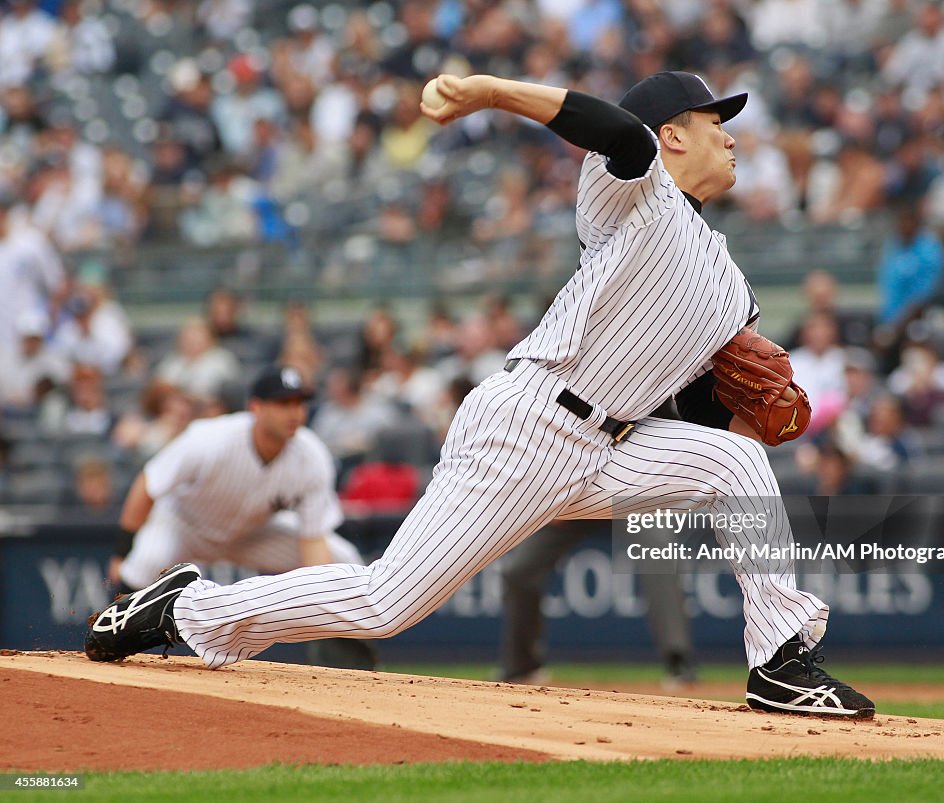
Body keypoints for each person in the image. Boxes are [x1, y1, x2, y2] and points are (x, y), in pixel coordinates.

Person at [86, 72, 874, 718]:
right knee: (385, 603)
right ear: (673, 135)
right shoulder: (636, 199)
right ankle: (188, 610)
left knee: (736, 464)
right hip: (529, 426)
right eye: (712, 121)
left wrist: (751, 419)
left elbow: (696, 406)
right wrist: (491, 93)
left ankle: (781, 661)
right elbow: (620, 135)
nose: (731, 135)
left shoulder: (732, 285)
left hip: (615, 445)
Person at [104, 364, 376, 671]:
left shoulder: (312, 456)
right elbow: (148, 484)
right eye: (283, 403)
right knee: (141, 566)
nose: (294, 412)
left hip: (250, 534)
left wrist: (324, 597)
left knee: (342, 560)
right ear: (256, 407)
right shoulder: (210, 438)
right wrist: (120, 552)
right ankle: (106, 641)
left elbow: (313, 540)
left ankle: (344, 666)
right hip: (183, 525)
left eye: (300, 403)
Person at [499, 519, 697, 687]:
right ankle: (523, 666)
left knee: (660, 552)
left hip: (628, 492)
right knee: (518, 572)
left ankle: (678, 662)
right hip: (578, 498)